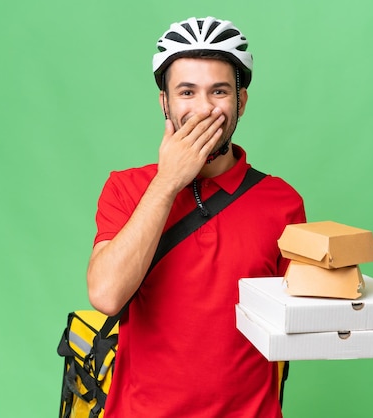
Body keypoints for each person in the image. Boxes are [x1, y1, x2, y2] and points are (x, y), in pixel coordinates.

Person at [87, 16, 306, 417]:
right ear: (165, 104)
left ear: (240, 102)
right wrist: (168, 181)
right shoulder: (125, 188)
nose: (204, 109)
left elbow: (303, 319)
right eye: (187, 92)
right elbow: (106, 295)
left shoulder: (283, 202)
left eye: (219, 91)